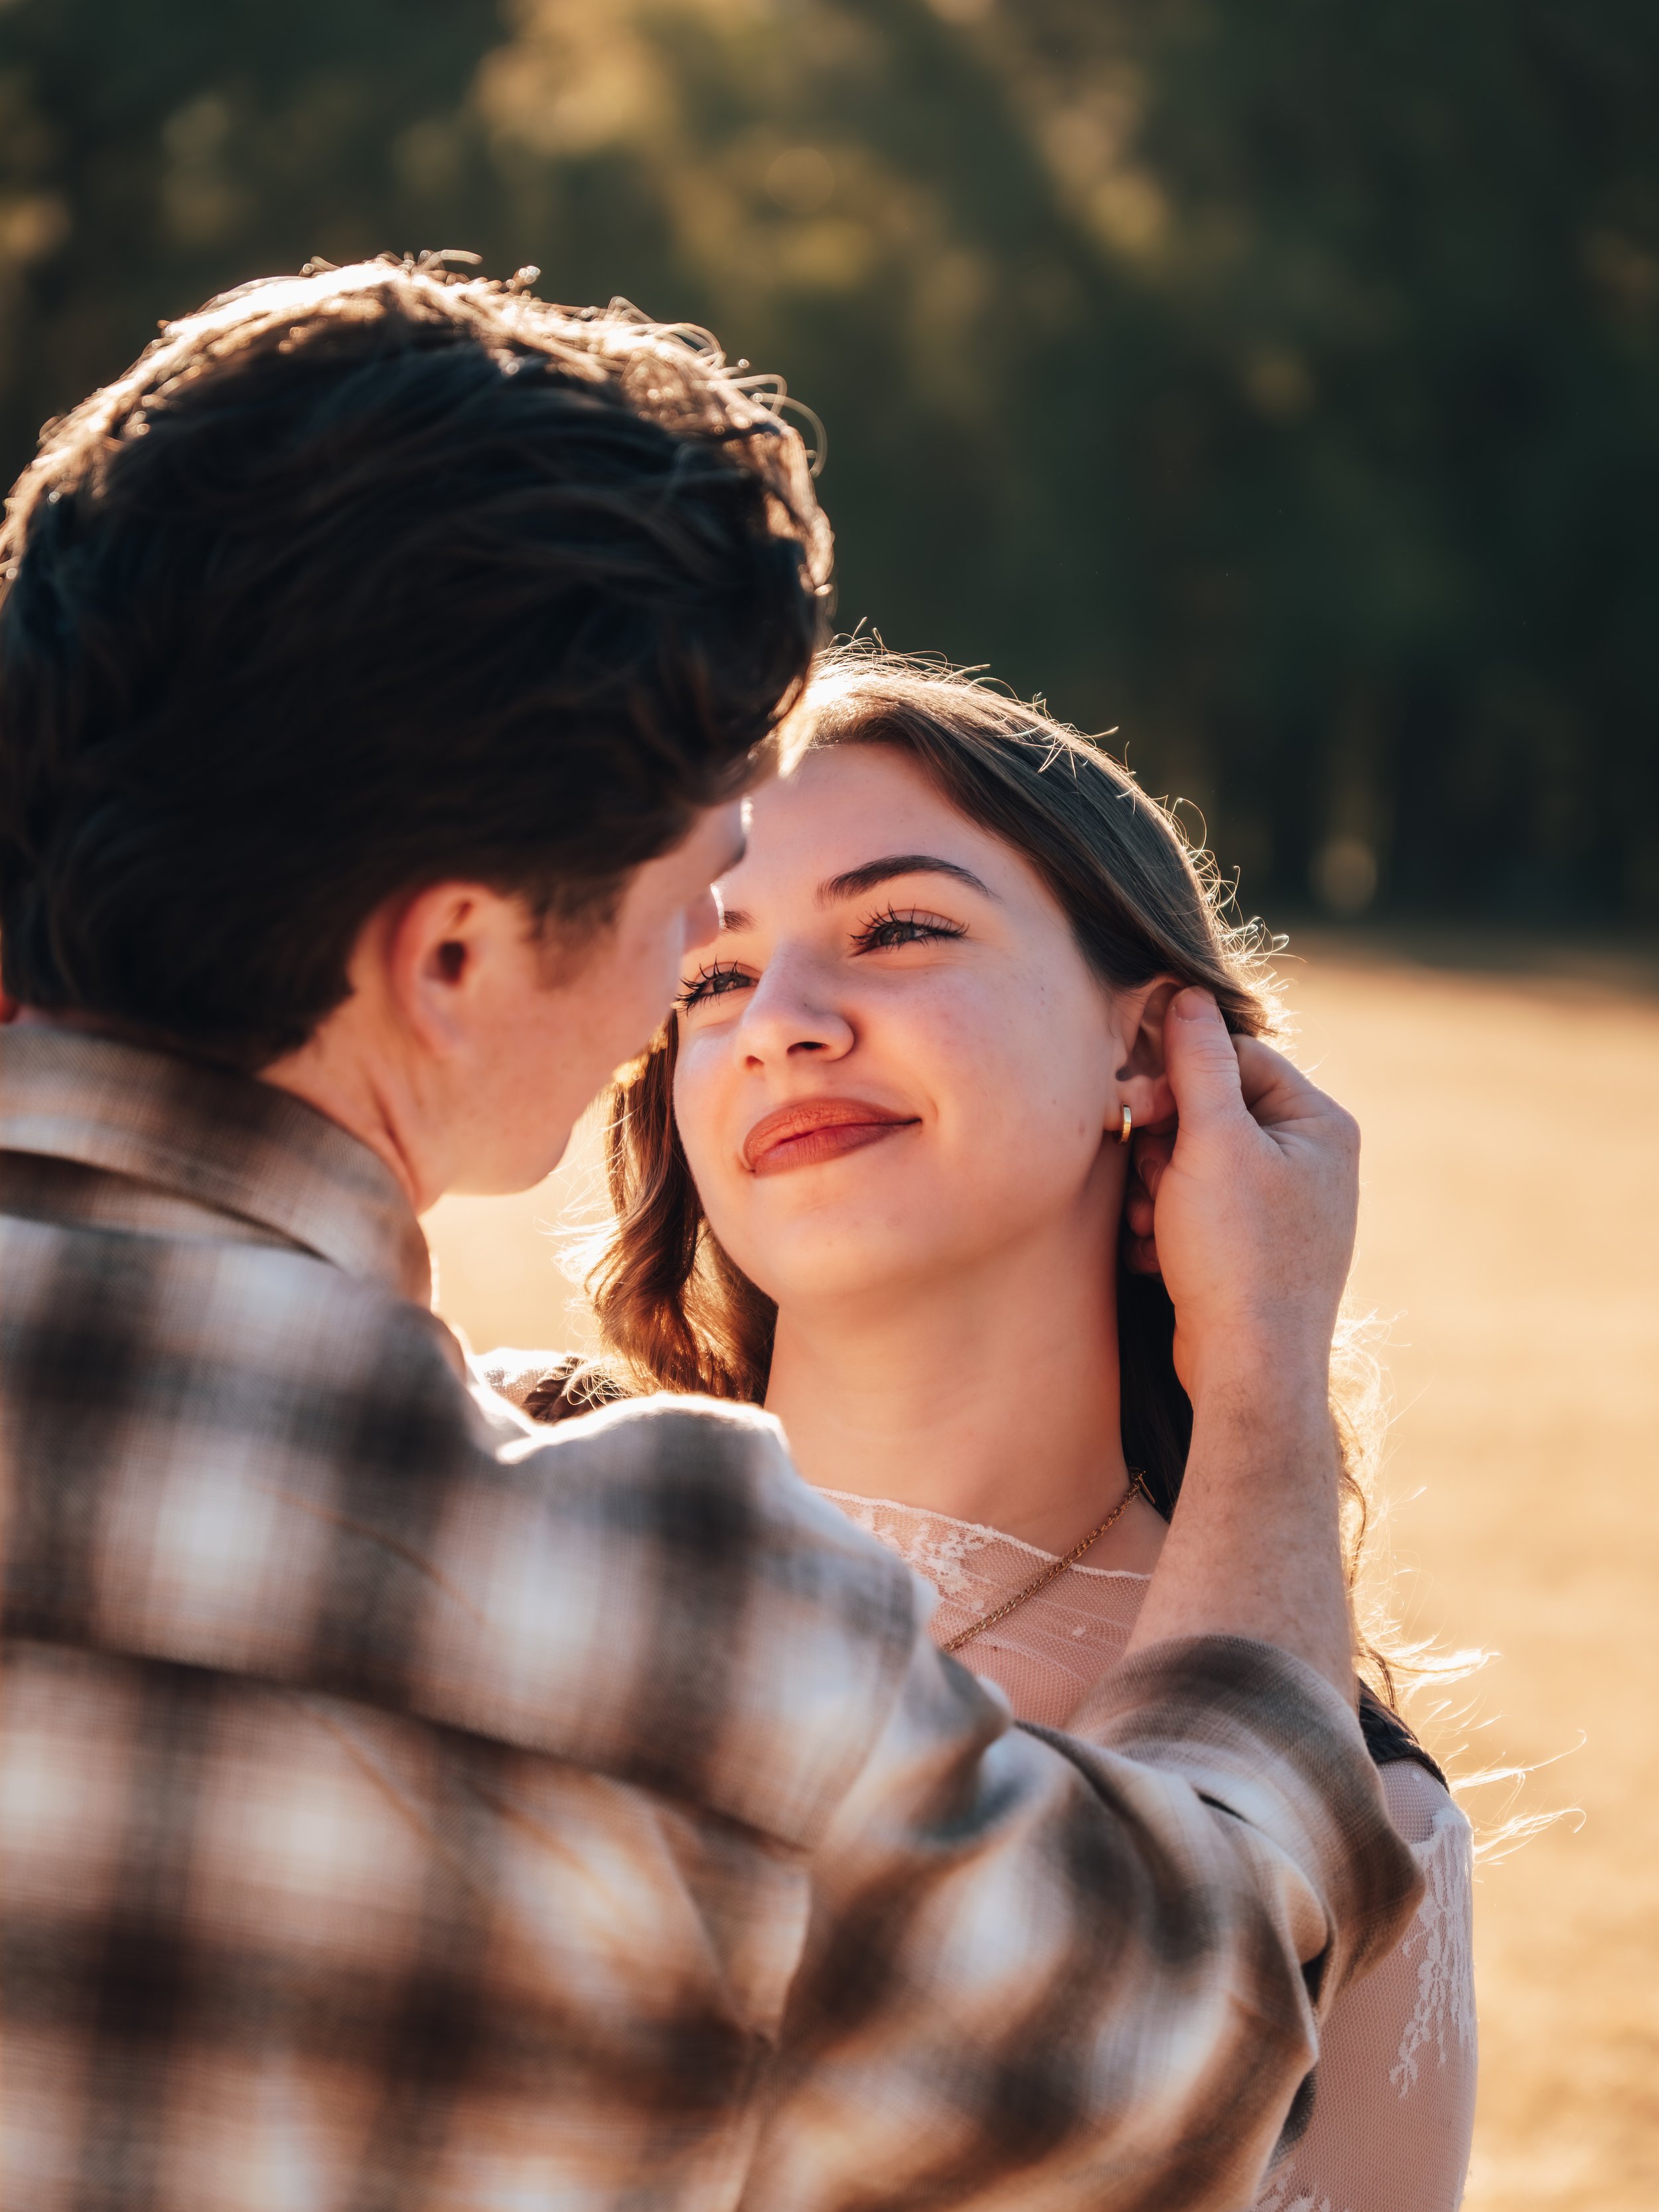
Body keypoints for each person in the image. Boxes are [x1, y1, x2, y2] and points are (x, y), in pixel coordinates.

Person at [0, 260, 1419, 2212]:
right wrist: (1260, 1381)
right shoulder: (656, 1618)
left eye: (897, 924)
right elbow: (1175, 2032)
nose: (733, 998)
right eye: (699, 917)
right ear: (453, 953)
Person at [518, 650, 1476, 2212]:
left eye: (896, 928)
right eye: (709, 976)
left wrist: (1261, 1356)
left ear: (1148, 1048)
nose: (779, 1024)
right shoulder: (512, 1530)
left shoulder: (1363, 1826)